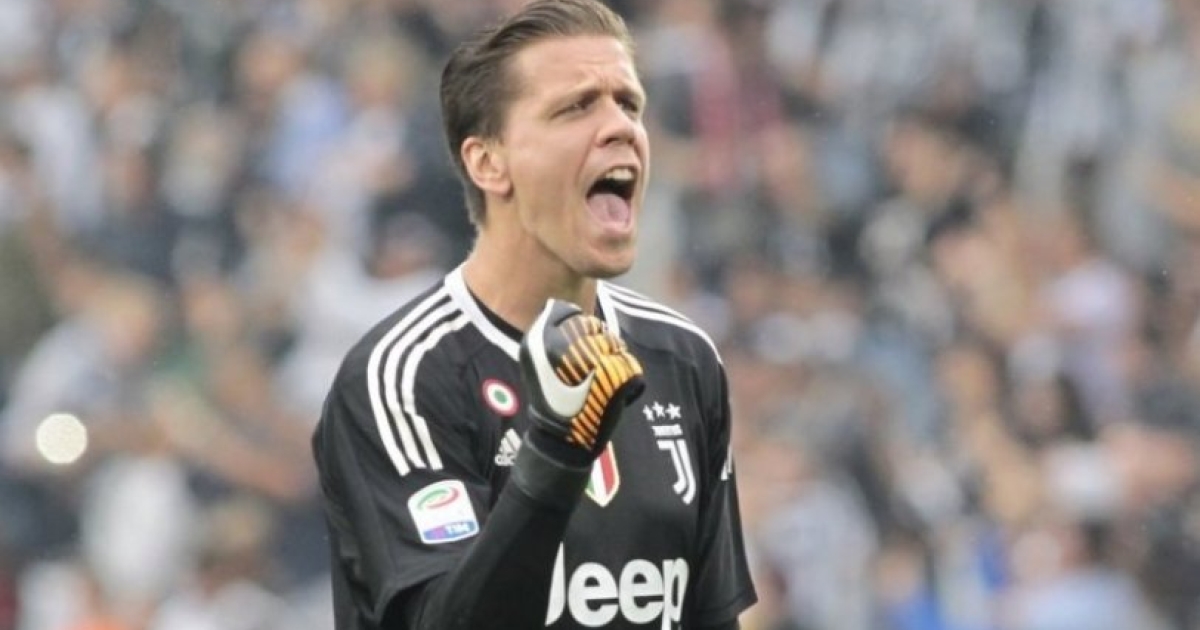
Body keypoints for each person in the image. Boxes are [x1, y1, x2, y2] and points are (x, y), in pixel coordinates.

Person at [311, 1, 758, 628]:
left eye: (629, 105)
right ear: (487, 162)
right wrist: (557, 451)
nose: (620, 127)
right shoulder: (404, 378)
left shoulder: (683, 360)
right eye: (577, 107)